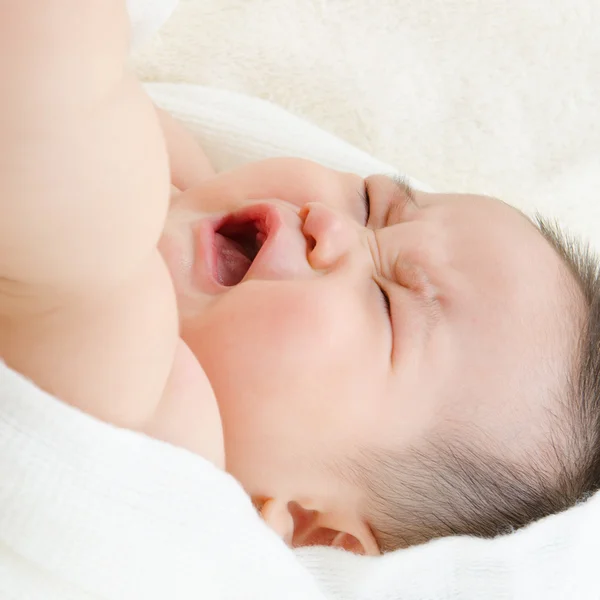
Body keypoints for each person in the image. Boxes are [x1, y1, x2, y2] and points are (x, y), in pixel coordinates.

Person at [1, 0, 600, 565]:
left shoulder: (168, 449)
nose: (331, 225)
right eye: (373, 204)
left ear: (319, 533)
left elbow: (53, 98)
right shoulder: (182, 186)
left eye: (387, 305)